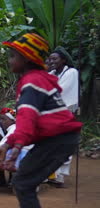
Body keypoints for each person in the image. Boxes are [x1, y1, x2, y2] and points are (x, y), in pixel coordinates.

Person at [0, 33, 82, 208]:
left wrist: (14, 149)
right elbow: (28, 123)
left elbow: (27, 120)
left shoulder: (32, 82)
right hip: (59, 138)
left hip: (58, 139)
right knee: (25, 181)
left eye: (13, 56)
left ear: (26, 59)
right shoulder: (38, 80)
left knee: (23, 182)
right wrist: (7, 144)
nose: (10, 60)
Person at [48, 47, 80, 187]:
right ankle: (51, 174)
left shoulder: (71, 72)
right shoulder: (52, 73)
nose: (52, 61)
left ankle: (59, 177)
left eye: (55, 59)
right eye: (50, 59)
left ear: (64, 60)